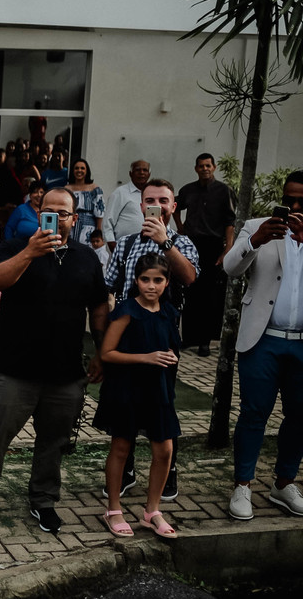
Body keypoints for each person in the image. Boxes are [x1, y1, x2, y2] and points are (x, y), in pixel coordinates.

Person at [0, 187, 109, 534]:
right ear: (38, 213)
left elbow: (99, 306)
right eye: (48, 211)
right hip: (15, 368)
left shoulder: (86, 257)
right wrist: (30, 252)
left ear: (74, 219)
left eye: (63, 213)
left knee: (53, 442)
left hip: (65, 372)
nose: (55, 218)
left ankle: (43, 500)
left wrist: (102, 351)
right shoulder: (15, 246)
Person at [104, 179, 200, 502]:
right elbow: (110, 287)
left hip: (162, 334)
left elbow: (189, 277)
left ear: (173, 207)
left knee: (163, 401)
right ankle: (126, 470)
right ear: (141, 205)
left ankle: (166, 472)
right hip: (127, 335)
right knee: (126, 404)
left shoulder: (182, 243)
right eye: (150, 201)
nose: (156, 206)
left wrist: (165, 241)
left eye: (163, 200)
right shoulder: (127, 243)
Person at [223, 172, 303, 520]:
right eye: (289, 199)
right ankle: (243, 485)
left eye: (301, 201)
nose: (294, 207)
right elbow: (230, 268)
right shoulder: (258, 227)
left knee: (300, 416)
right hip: (262, 340)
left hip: (302, 344)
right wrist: (255, 240)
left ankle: (284, 483)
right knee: (254, 414)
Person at [96, 253, 182, 538]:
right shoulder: (127, 311)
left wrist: (170, 356)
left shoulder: (169, 312)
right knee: (121, 447)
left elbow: (169, 347)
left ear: (167, 281)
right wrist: (146, 357)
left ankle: (152, 511)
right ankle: (113, 509)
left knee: (165, 450)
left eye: (158, 280)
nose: (151, 285)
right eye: (145, 279)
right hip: (127, 389)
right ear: (136, 280)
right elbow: (107, 353)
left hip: (159, 390)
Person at [175, 153, 236, 356]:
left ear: (214, 167)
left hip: (213, 245)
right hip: (191, 243)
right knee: (190, 291)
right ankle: (188, 338)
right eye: (201, 166)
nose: (205, 169)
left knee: (209, 295)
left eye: (208, 165)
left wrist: (228, 249)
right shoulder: (188, 190)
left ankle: (204, 342)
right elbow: (175, 207)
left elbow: (230, 222)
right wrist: (180, 228)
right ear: (196, 168)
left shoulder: (224, 191)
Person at [104, 160, 152, 251]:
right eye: (137, 170)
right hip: (124, 247)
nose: (141, 173)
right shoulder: (120, 193)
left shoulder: (152, 194)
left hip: (149, 247)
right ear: (130, 174)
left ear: (149, 174)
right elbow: (108, 220)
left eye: (145, 170)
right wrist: (111, 243)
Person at [67, 158, 105, 245]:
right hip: (71, 225)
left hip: (88, 228)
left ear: (87, 171)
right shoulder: (66, 188)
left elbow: (100, 212)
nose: (79, 170)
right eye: (76, 168)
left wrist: (99, 232)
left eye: (82, 168)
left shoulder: (94, 189)